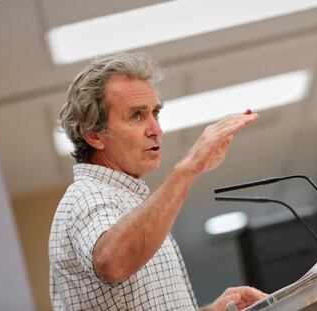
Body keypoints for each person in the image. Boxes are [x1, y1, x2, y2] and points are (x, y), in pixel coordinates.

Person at [49, 52, 264, 311]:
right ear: (94, 135)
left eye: (155, 113)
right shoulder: (86, 196)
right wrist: (188, 167)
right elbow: (113, 263)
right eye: (137, 116)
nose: (156, 129)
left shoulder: (127, 199)